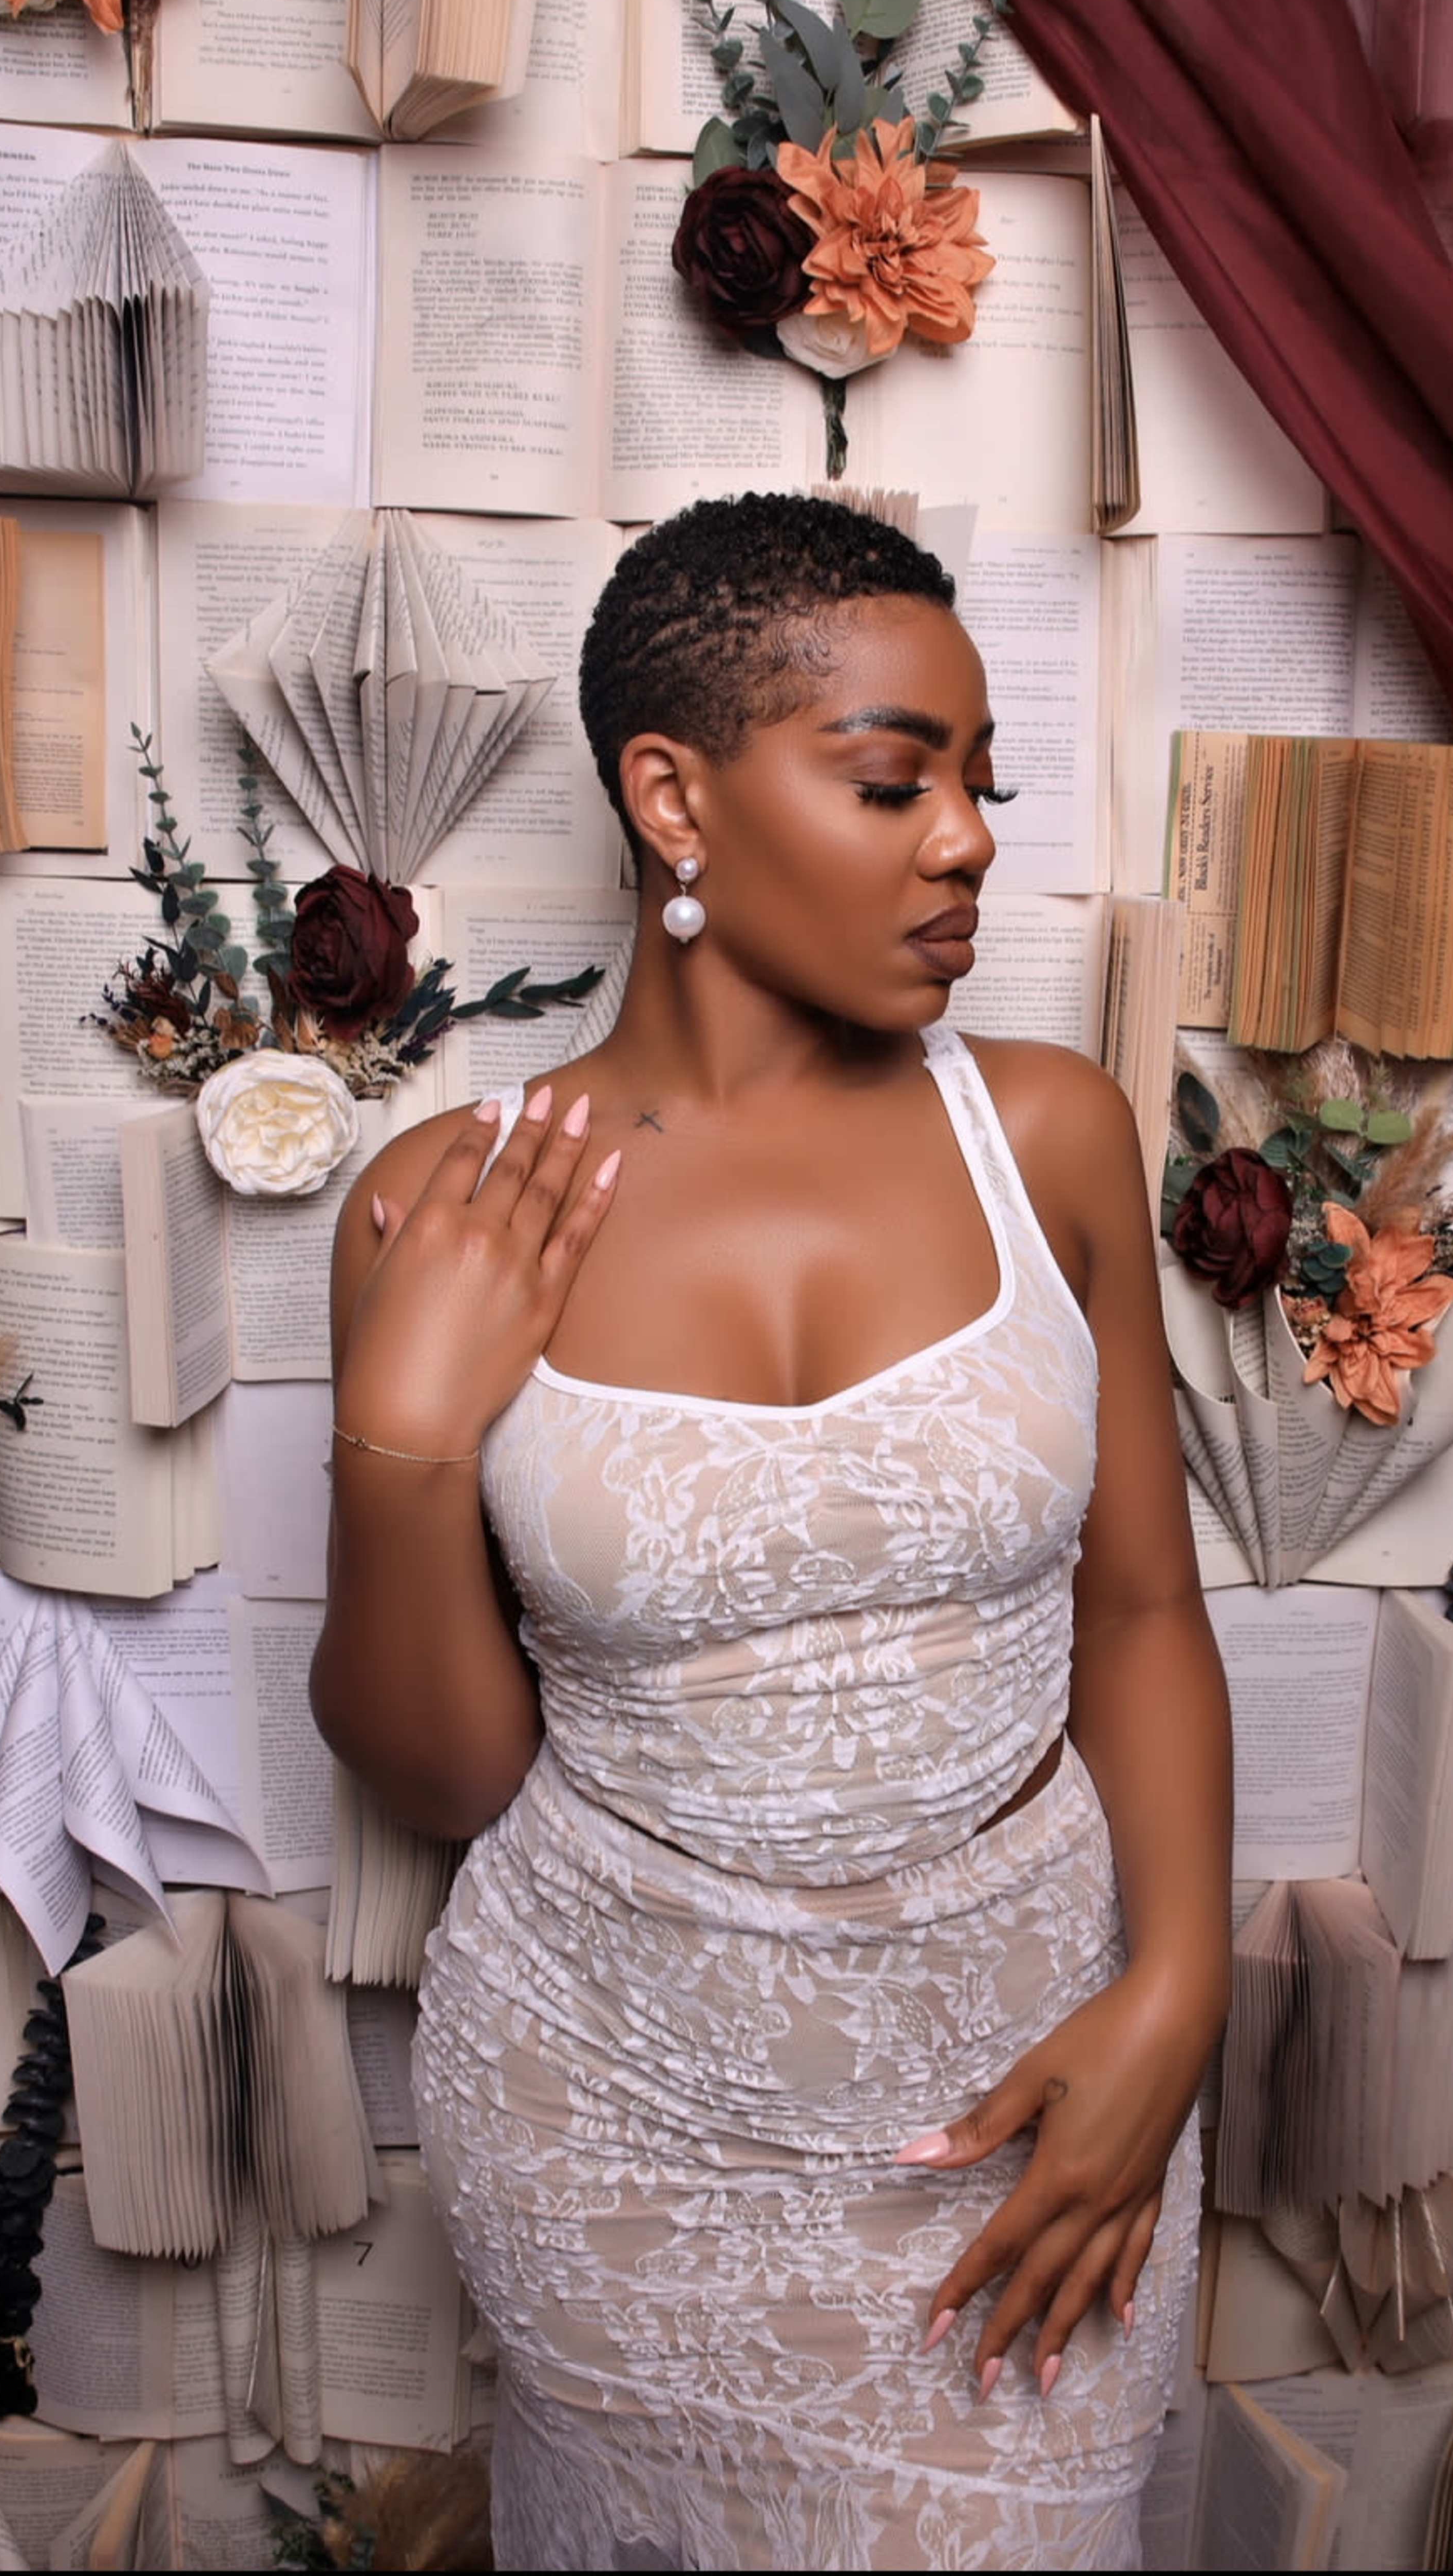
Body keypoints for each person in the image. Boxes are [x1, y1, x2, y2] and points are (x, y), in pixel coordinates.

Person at [309, 493, 1233, 2571]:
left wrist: (1181, 1985)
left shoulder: (1055, 1133)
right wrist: (400, 1436)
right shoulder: (446, 1203)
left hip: (1026, 2091)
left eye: (977, 784)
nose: (971, 837)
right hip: (611, 2113)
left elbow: (1148, 1618)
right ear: (676, 796)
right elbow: (444, 1770)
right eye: (897, 777)